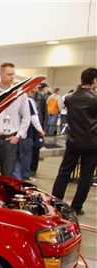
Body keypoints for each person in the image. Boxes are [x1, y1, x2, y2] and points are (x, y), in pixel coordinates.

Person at [52, 67, 97, 215]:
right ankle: (77, 206)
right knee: (86, 176)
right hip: (92, 143)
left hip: (73, 141)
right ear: (94, 80)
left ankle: (55, 203)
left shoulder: (69, 98)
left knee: (64, 173)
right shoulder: (94, 99)